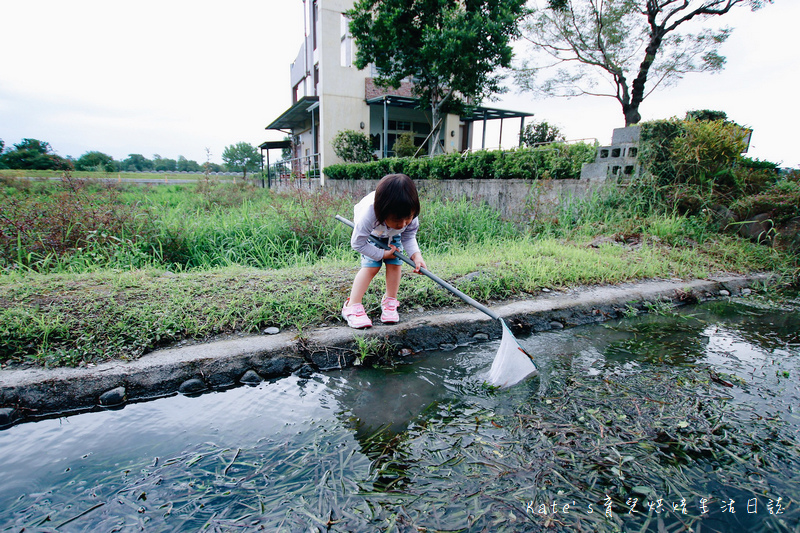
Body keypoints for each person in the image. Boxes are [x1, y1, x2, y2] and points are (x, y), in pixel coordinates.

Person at [342, 173, 427, 329]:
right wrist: (381, 254)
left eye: (407, 218)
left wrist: (416, 256)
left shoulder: (409, 213)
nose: (403, 224)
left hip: (392, 234)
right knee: (371, 266)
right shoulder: (369, 214)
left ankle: (390, 301)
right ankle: (351, 306)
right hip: (371, 235)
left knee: (395, 263)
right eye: (397, 220)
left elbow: (408, 236)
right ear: (382, 212)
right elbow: (357, 243)